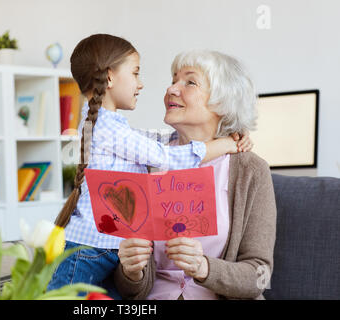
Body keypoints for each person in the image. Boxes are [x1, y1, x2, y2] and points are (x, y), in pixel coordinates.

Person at [47, 35, 251, 298]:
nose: (144, 85)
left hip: (104, 249)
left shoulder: (116, 129)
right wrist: (224, 144)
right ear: (109, 78)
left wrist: (230, 139)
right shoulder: (110, 130)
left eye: (189, 82)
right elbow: (163, 155)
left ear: (223, 102)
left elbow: (154, 145)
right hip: (94, 248)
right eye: (135, 74)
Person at [115, 50, 277, 300]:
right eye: (173, 79)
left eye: (189, 82)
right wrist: (131, 271)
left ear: (223, 102)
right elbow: (129, 289)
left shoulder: (250, 171)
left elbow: (259, 275)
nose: (172, 89)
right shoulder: (147, 160)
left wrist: (204, 267)